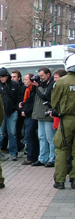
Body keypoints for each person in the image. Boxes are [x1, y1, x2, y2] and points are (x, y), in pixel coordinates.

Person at [52, 55, 75, 189]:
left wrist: (59, 110)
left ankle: (60, 180)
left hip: (67, 119)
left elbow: (54, 101)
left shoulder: (62, 82)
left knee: (61, 148)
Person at [0, 67, 20, 161]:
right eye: (0, 76)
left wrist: (16, 109)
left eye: (3, 76)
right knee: (0, 133)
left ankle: (13, 153)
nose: (2, 78)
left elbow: (19, 97)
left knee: (12, 133)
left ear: (7, 76)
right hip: (1, 113)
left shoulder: (15, 85)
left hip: (12, 112)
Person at [31, 67, 56, 168]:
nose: (40, 78)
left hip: (47, 114)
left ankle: (52, 158)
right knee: (41, 137)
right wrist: (36, 85)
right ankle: (42, 158)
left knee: (50, 138)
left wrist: (38, 87)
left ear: (48, 74)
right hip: (40, 114)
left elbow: (46, 95)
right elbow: (34, 94)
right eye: (39, 76)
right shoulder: (41, 83)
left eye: (42, 76)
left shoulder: (51, 84)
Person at [19, 73, 39, 165]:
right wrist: (22, 106)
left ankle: (31, 157)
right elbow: (26, 102)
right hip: (28, 115)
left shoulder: (33, 89)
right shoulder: (27, 90)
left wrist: (26, 111)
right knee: (29, 135)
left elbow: (33, 103)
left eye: (26, 79)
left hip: (32, 115)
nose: (24, 81)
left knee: (30, 135)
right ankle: (32, 155)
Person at [11, 69, 26, 153]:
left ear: (19, 78)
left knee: (17, 131)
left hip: (20, 113)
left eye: (14, 77)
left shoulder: (22, 87)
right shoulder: (11, 86)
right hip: (14, 111)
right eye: (12, 77)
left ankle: (19, 146)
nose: (12, 78)